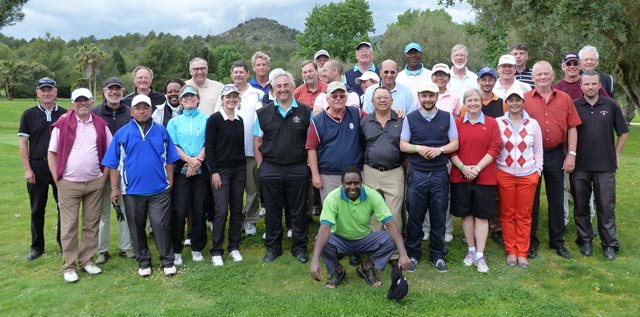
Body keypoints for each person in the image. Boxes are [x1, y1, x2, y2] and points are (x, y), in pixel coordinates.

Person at [102, 94, 180, 278]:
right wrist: (114, 188)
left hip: (159, 190)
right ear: (132, 111)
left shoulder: (161, 131)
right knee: (136, 227)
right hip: (132, 190)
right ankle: (143, 261)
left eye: (145, 108)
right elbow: (114, 164)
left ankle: (167, 261)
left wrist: (170, 182)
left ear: (151, 111)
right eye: (138, 108)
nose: (142, 111)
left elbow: (170, 159)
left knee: (160, 224)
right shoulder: (122, 133)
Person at [48, 88, 112, 283]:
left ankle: (86, 261)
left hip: (94, 182)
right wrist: (57, 179)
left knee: (91, 224)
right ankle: (69, 266)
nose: (82, 103)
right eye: (78, 101)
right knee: (68, 226)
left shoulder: (101, 124)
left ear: (92, 101)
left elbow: (110, 154)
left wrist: (103, 178)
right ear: (72, 103)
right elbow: (52, 153)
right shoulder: (61, 124)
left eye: (86, 100)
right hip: (68, 183)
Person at [309, 167, 410, 289]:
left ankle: (366, 267)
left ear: (362, 183)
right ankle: (337, 270)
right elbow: (324, 228)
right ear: (342, 184)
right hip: (340, 240)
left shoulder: (372, 195)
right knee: (321, 240)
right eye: (348, 183)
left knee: (392, 238)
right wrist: (315, 261)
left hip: (364, 239)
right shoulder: (332, 198)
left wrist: (403, 254)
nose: (352, 187)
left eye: (356, 183)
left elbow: (390, 224)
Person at [524, 61, 582, 259]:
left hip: (556, 154)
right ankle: (530, 241)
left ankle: (557, 241)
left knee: (557, 199)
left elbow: (573, 127)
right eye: (538, 74)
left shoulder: (565, 99)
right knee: (531, 200)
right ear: (533, 78)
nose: (542, 77)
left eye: (545, 74)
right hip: (531, 156)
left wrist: (571, 154)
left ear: (552, 75)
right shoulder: (524, 100)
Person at [254, 69, 312, 263]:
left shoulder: (305, 112)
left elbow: (311, 141)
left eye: (286, 85)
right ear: (272, 89)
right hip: (271, 168)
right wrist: (261, 167)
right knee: (272, 210)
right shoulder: (263, 113)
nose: (283, 89)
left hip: (297, 167)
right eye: (278, 86)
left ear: (293, 87)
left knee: (298, 211)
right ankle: (273, 248)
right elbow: (257, 140)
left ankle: (299, 248)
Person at [400, 81, 458, 273]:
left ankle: (437, 254)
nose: (427, 99)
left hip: (439, 172)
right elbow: (403, 145)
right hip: (417, 173)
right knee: (415, 215)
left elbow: (454, 144)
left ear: (436, 97)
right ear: (419, 97)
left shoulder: (446, 117)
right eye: (424, 96)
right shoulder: (411, 118)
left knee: (438, 215)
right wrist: (419, 148)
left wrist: (439, 150)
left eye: (431, 96)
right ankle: (414, 254)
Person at [571, 70, 628, 260]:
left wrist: (616, 153)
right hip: (580, 165)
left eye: (594, 84)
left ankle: (609, 243)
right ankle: (585, 239)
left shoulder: (610, 105)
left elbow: (623, 131)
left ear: (599, 85)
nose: (590, 87)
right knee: (581, 205)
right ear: (581, 86)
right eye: (586, 84)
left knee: (606, 205)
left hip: (605, 165)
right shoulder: (574, 106)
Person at [449, 88, 502, 273]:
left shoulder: (492, 123)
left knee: (481, 215)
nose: (473, 103)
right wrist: (464, 168)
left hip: (484, 177)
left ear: (481, 102)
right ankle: (470, 250)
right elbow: (452, 150)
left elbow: (495, 148)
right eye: (469, 100)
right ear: (464, 103)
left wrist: (477, 168)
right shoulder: (456, 123)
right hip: (461, 176)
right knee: (467, 215)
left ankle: (480, 254)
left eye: (476, 100)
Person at [18, 77, 66, 261]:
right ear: (37, 93)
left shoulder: (64, 113)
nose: (47, 93)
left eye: (50, 89)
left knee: (64, 207)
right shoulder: (28, 114)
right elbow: (23, 144)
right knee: (37, 208)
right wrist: (27, 169)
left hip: (60, 166)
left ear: (55, 92)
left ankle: (64, 243)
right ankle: (37, 246)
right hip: (37, 165)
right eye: (43, 90)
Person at [496, 86, 543, 268]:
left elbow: (538, 150)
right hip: (505, 174)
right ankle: (511, 251)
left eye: (518, 100)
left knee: (524, 215)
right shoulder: (499, 122)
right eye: (511, 100)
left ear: (523, 102)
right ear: (506, 103)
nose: (514, 104)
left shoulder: (532, 124)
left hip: (527, 175)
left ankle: (522, 251)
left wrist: (537, 171)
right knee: (507, 214)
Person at [217, 61, 264, 236]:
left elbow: (261, 121)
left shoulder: (256, 93)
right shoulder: (225, 93)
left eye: (241, 72)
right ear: (231, 74)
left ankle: (250, 220)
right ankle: (234, 219)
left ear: (247, 74)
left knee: (252, 188)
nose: (238, 75)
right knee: (232, 190)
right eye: (235, 72)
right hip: (229, 153)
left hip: (251, 150)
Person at [91, 77, 135, 265]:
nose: (114, 92)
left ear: (123, 92)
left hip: (125, 170)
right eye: (111, 89)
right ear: (104, 91)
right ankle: (102, 250)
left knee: (125, 209)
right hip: (101, 169)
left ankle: (125, 247)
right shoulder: (95, 112)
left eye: (118, 89)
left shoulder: (129, 113)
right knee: (102, 212)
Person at [166, 85, 209, 266]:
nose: (189, 99)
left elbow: (209, 142)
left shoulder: (207, 119)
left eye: (192, 96)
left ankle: (197, 248)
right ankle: (176, 249)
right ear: (181, 101)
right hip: (181, 171)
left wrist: (197, 161)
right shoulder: (174, 122)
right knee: (179, 211)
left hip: (200, 171)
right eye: (185, 97)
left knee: (199, 210)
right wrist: (189, 161)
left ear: (198, 99)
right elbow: (173, 145)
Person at [205, 84, 247, 266]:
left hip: (239, 169)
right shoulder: (214, 119)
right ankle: (216, 250)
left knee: (237, 209)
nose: (231, 99)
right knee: (221, 211)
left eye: (234, 97)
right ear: (222, 99)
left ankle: (234, 247)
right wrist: (214, 171)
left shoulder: (239, 120)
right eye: (228, 97)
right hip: (221, 171)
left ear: (238, 99)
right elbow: (210, 147)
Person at [421, 63, 460, 243]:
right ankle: (427, 227)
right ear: (432, 77)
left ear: (448, 78)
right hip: (424, 152)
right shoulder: (424, 96)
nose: (440, 78)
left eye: (443, 75)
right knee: (426, 193)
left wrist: (442, 149)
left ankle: (446, 227)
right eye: (437, 75)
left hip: (445, 152)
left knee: (445, 194)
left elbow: (456, 125)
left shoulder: (454, 97)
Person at [307, 81, 363, 202]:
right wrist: (315, 175)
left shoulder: (356, 113)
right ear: (328, 99)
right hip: (328, 175)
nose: (338, 98)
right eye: (334, 96)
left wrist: (397, 113)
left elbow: (375, 119)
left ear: (346, 98)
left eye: (342, 96)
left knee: (355, 210)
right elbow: (311, 149)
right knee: (331, 211)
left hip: (355, 173)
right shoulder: (317, 121)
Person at [360, 87, 405, 232]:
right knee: (373, 213)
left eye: (386, 97)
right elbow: (361, 145)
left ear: (392, 100)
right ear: (372, 102)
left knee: (394, 214)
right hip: (371, 171)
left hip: (394, 171)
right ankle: (376, 248)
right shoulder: (365, 121)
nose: (382, 100)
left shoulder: (402, 120)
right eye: (378, 98)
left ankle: (394, 250)